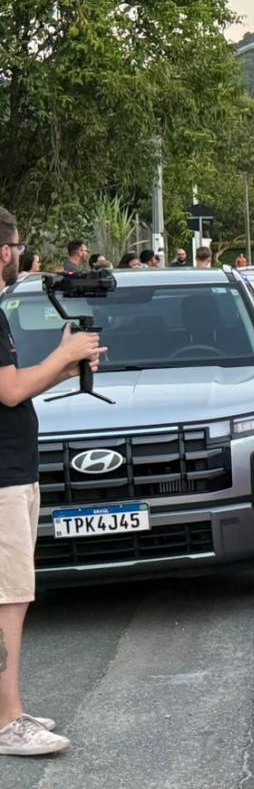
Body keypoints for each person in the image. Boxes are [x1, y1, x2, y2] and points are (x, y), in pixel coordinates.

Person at [0, 208, 105, 757]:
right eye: (16, 245)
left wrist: (63, 368)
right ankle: (7, 720)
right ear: (3, 251)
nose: (20, 254)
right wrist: (63, 353)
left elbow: (14, 384)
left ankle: (6, 708)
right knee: (8, 598)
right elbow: (10, 392)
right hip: (2, 480)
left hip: (10, 472)